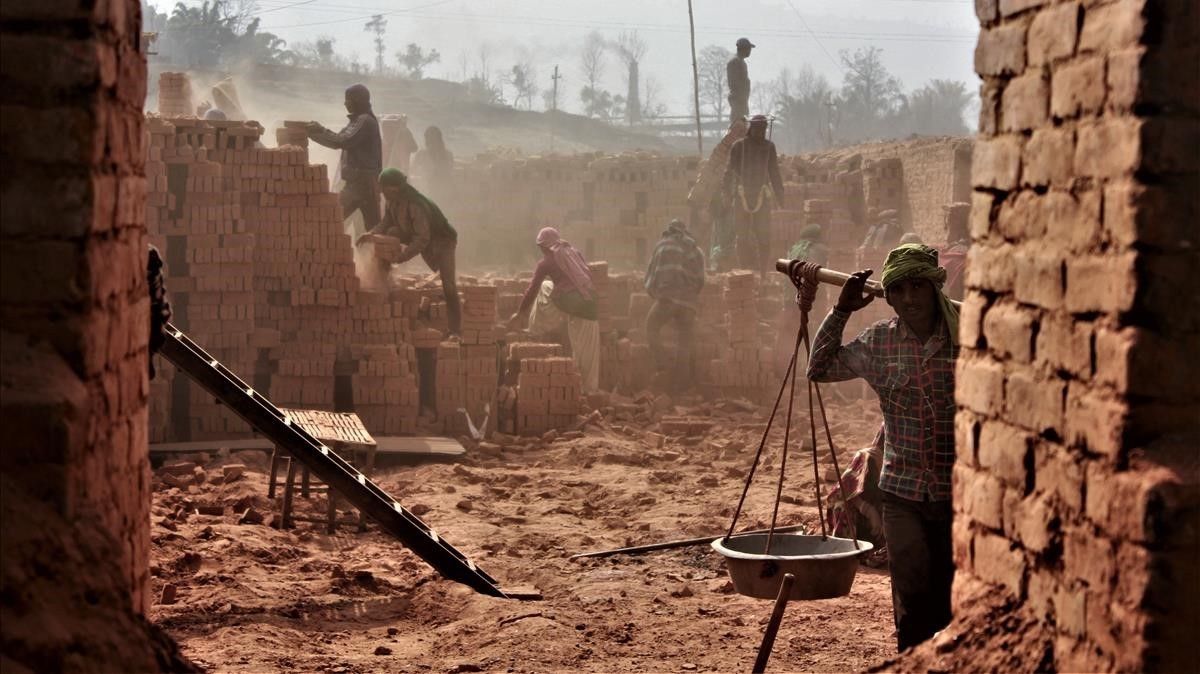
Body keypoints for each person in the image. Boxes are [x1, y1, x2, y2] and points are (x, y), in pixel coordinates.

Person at [806, 243, 960, 653]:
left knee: (952, 604)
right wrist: (841, 311)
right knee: (910, 605)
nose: (909, 299)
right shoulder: (879, 343)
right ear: (888, 297)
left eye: (917, 287)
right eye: (899, 290)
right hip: (902, 495)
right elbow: (818, 368)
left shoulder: (965, 338)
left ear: (934, 290)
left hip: (958, 496)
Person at [358, 168, 461, 337]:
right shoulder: (392, 200)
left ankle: (455, 330)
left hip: (443, 241)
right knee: (391, 232)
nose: (381, 191)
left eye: (383, 188)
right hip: (415, 233)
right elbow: (386, 222)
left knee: (448, 284)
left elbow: (422, 239)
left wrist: (402, 257)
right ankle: (385, 281)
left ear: (394, 188)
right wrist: (370, 234)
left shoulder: (415, 205)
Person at [508, 227, 600, 391]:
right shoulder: (573, 252)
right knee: (587, 353)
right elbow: (587, 276)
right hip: (590, 304)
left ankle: (535, 330)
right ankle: (587, 391)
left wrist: (520, 312)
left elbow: (532, 289)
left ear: (543, 246)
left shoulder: (546, 262)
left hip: (575, 304)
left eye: (541, 248)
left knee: (544, 287)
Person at [306, 84, 383, 234]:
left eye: (347, 100)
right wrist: (311, 133)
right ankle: (375, 255)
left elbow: (342, 141)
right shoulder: (357, 121)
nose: (345, 103)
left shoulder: (364, 121)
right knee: (372, 231)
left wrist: (319, 130)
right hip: (361, 182)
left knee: (330, 219)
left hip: (362, 183)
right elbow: (337, 139)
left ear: (357, 100)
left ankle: (378, 256)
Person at [644, 219, 706, 392]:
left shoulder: (662, 245)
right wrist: (690, 300)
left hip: (668, 299)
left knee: (651, 327)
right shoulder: (696, 249)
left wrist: (658, 297)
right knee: (684, 342)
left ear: (669, 231)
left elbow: (651, 277)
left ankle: (663, 365)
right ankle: (681, 386)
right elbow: (701, 281)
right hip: (689, 303)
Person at [724, 115, 785, 275]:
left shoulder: (769, 147)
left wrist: (780, 198)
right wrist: (727, 195)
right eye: (757, 129)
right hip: (742, 196)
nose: (760, 132)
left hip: (761, 197)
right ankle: (745, 270)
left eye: (763, 129)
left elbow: (774, 173)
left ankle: (763, 271)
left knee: (764, 236)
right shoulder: (738, 146)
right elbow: (728, 173)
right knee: (742, 236)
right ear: (751, 128)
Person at [412, 125, 455, 203]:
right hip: (426, 193)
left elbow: (449, 172)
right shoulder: (421, 155)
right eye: (428, 138)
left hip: (443, 194)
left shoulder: (448, 155)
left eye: (432, 138)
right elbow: (414, 172)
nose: (429, 141)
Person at [726, 37, 754, 123]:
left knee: (743, 127)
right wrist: (740, 98)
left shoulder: (741, 62)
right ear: (743, 48)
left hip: (742, 101)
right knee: (738, 127)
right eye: (749, 48)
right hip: (738, 102)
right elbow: (735, 83)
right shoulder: (735, 62)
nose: (750, 51)